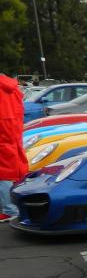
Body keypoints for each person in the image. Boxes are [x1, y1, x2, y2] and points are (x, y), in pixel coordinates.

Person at [0, 72, 27, 223]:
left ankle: (9, 209)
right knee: (13, 170)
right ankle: (14, 206)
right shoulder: (13, 88)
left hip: (3, 131)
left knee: (3, 174)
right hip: (13, 130)